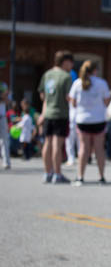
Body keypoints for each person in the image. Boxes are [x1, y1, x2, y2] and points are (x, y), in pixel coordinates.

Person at [68, 60, 111, 186]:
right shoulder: (102, 83)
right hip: (98, 119)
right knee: (99, 149)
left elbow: (73, 102)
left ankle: (80, 176)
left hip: (83, 120)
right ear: (95, 70)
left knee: (83, 148)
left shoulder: (77, 83)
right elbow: (106, 102)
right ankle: (101, 177)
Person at [37, 50, 74, 184]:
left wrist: (43, 112)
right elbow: (68, 97)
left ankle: (47, 173)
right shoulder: (66, 77)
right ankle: (57, 174)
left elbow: (43, 95)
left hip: (48, 113)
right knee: (57, 145)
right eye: (71, 62)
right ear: (65, 62)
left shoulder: (47, 74)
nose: (72, 66)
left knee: (47, 142)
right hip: (60, 113)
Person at [0, 82, 11, 169]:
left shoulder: (3, 86)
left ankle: (6, 162)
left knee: (4, 140)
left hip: (2, 117)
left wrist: (3, 96)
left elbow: (8, 101)